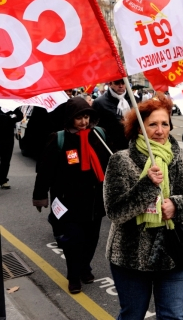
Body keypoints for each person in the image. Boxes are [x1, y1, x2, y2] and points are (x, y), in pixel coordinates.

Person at [103, 93, 183, 319]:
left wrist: (177, 206)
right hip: (131, 258)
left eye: (164, 124)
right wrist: (146, 186)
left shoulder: (182, 158)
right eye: (152, 124)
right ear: (140, 128)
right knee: (132, 314)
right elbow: (115, 212)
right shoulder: (121, 160)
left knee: (172, 316)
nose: (160, 131)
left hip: (174, 252)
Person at [32, 97, 110, 294]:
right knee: (73, 241)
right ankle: (74, 275)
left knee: (92, 240)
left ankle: (85, 267)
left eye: (86, 117)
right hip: (69, 202)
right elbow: (45, 171)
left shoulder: (99, 135)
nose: (84, 122)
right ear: (70, 119)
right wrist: (40, 195)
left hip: (95, 202)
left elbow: (110, 164)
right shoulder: (58, 139)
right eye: (79, 118)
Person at [93, 79, 132, 152]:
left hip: (132, 145)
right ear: (110, 84)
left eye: (123, 83)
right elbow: (96, 128)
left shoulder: (133, 99)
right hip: (110, 148)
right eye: (117, 83)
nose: (121, 86)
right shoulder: (99, 103)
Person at [0, 107, 23, 189]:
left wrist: (12, 118)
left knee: (6, 160)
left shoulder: (11, 105)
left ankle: (3, 180)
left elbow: (20, 115)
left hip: (8, 137)